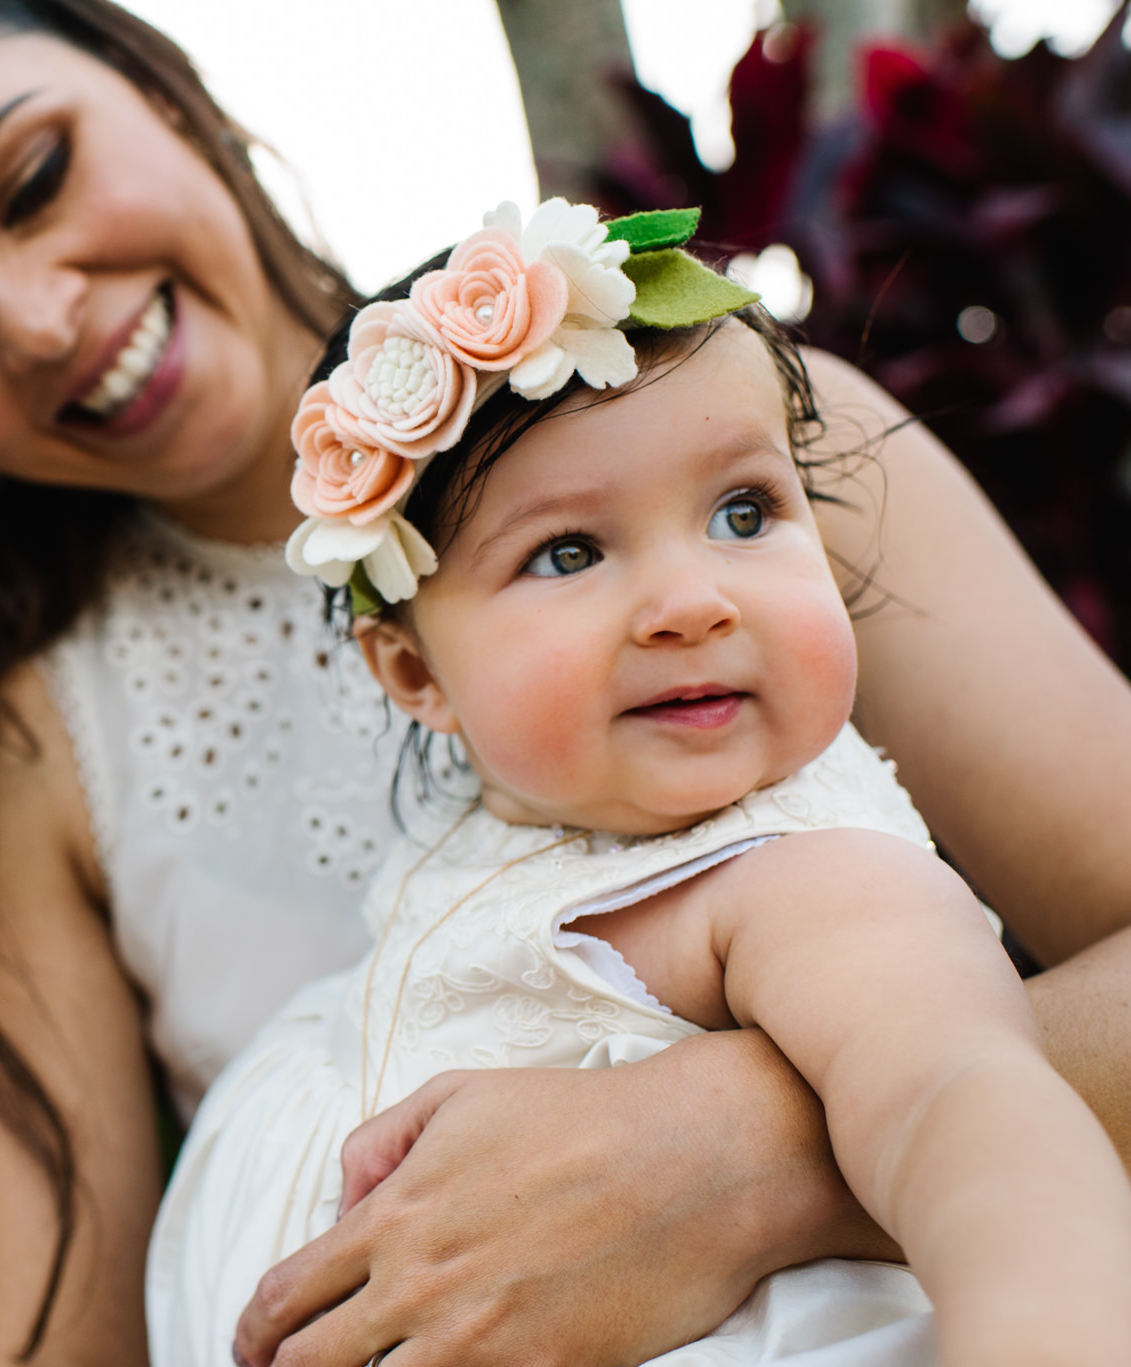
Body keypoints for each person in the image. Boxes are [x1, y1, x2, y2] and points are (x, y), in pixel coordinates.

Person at [0, 1, 1131, 1363]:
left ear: (159, 90)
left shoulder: (717, 458)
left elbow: (964, 1093)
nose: (39, 317)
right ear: (407, 668)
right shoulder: (22, 740)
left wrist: (743, 1156)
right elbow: (56, 1334)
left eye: (35, 177)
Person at [148, 207, 1131, 1366]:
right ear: (415, 672)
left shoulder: (804, 880)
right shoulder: (503, 852)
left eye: (743, 512)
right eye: (568, 552)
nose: (690, 599)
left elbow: (965, 1112)